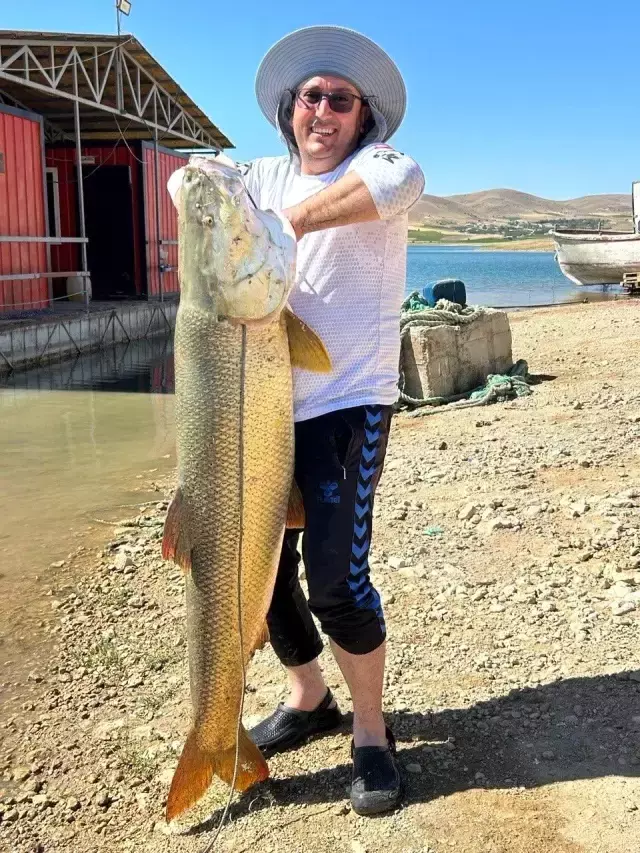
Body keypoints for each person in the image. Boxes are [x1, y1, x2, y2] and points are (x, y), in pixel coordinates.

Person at [169, 25, 425, 816]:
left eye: (339, 99)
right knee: (266, 579)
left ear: (362, 114)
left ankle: (372, 737)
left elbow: (402, 182)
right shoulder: (260, 173)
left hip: (345, 408)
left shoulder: (376, 168)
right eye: (310, 96)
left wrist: (290, 224)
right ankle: (308, 695)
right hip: (259, 419)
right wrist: (202, 184)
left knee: (337, 585)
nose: (322, 110)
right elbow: (188, 186)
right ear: (289, 107)